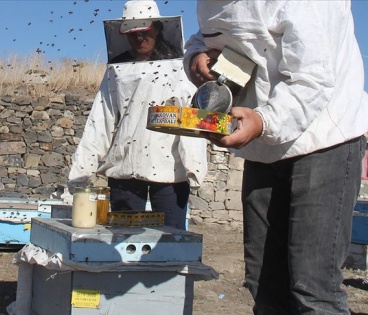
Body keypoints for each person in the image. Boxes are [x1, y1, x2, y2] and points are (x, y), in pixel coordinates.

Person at [184, 1, 368, 314]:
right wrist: (196, 57)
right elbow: (209, 35)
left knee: (313, 287)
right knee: (264, 286)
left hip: (324, 134)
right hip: (264, 144)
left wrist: (264, 122)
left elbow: (312, 80)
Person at [67, 0, 207, 230]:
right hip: (124, 167)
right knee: (123, 240)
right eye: (133, 34)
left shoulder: (179, 66)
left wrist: (195, 166)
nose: (140, 38)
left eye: (145, 32)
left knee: (170, 240)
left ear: (157, 28)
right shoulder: (117, 68)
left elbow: (189, 116)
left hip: (169, 169)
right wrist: (82, 171)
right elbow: (101, 119)